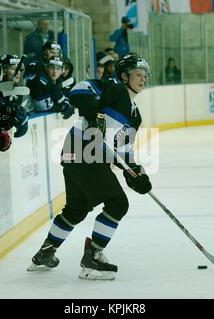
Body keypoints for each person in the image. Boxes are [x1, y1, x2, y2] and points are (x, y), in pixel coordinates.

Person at [27, 53, 152, 280]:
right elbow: (81, 87)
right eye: (138, 74)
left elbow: (123, 152)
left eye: (145, 76)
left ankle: (45, 252)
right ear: (124, 76)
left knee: (76, 210)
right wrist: (89, 110)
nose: (143, 79)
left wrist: (137, 174)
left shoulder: (134, 115)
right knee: (117, 204)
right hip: (84, 151)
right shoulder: (114, 88)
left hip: (79, 153)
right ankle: (92, 258)